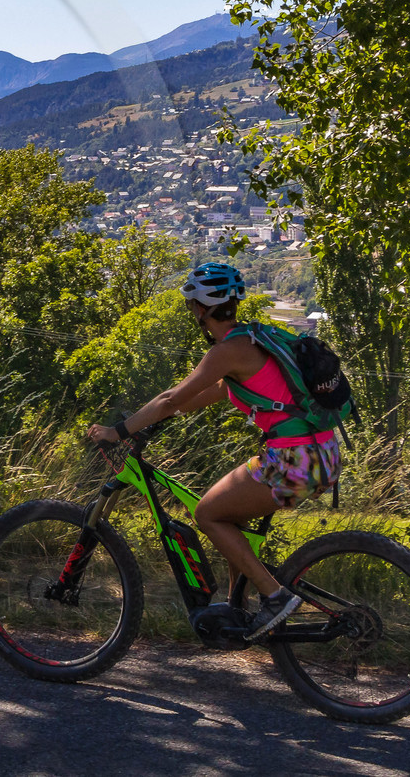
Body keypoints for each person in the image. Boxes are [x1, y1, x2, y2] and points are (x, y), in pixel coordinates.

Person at [85, 262, 342, 640]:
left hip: (294, 461)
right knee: (227, 510)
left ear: (202, 309)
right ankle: (239, 610)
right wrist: (155, 417)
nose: (193, 312)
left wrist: (118, 431)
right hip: (322, 454)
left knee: (207, 513)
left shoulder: (227, 351)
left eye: (192, 305)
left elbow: (171, 398)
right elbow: (202, 396)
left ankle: (274, 597)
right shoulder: (251, 342)